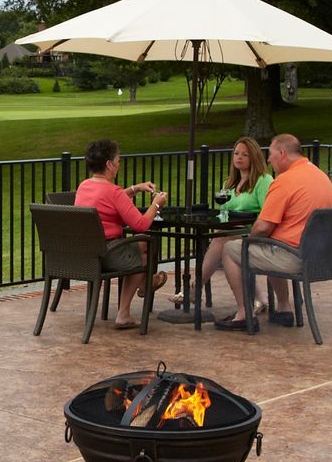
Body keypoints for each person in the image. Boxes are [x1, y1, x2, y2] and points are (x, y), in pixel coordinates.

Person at [215, 133, 332, 331]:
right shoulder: (319, 175)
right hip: (323, 255)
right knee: (271, 243)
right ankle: (283, 308)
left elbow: (263, 226)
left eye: (270, 154)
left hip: (295, 257)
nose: (269, 160)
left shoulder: (285, 181)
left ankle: (244, 313)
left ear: (282, 153)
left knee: (231, 249)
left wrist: (249, 242)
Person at [73, 139, 168, 330]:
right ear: (108, 164)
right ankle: (139, 292)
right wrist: (156, 204)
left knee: (142, 247)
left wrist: (135, 189)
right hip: (107, 255)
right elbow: (140, 224)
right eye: (118, 160)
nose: (119, 164)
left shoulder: (85, 186)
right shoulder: (113, 192)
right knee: (145, 251)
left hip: (85, 254)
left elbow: (107, 198)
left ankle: (143, 286)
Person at [179, 137, 273, 312]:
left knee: (220, 241)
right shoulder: (229, 183)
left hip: (256, 233)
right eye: (236, 153)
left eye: (245, 154)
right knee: (221, 240)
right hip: (231, 233)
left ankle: (193, 288)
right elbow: (224, 213)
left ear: (254, 157)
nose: (239, 157)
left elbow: (267, 214)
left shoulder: (264, 180)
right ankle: (259, 299)